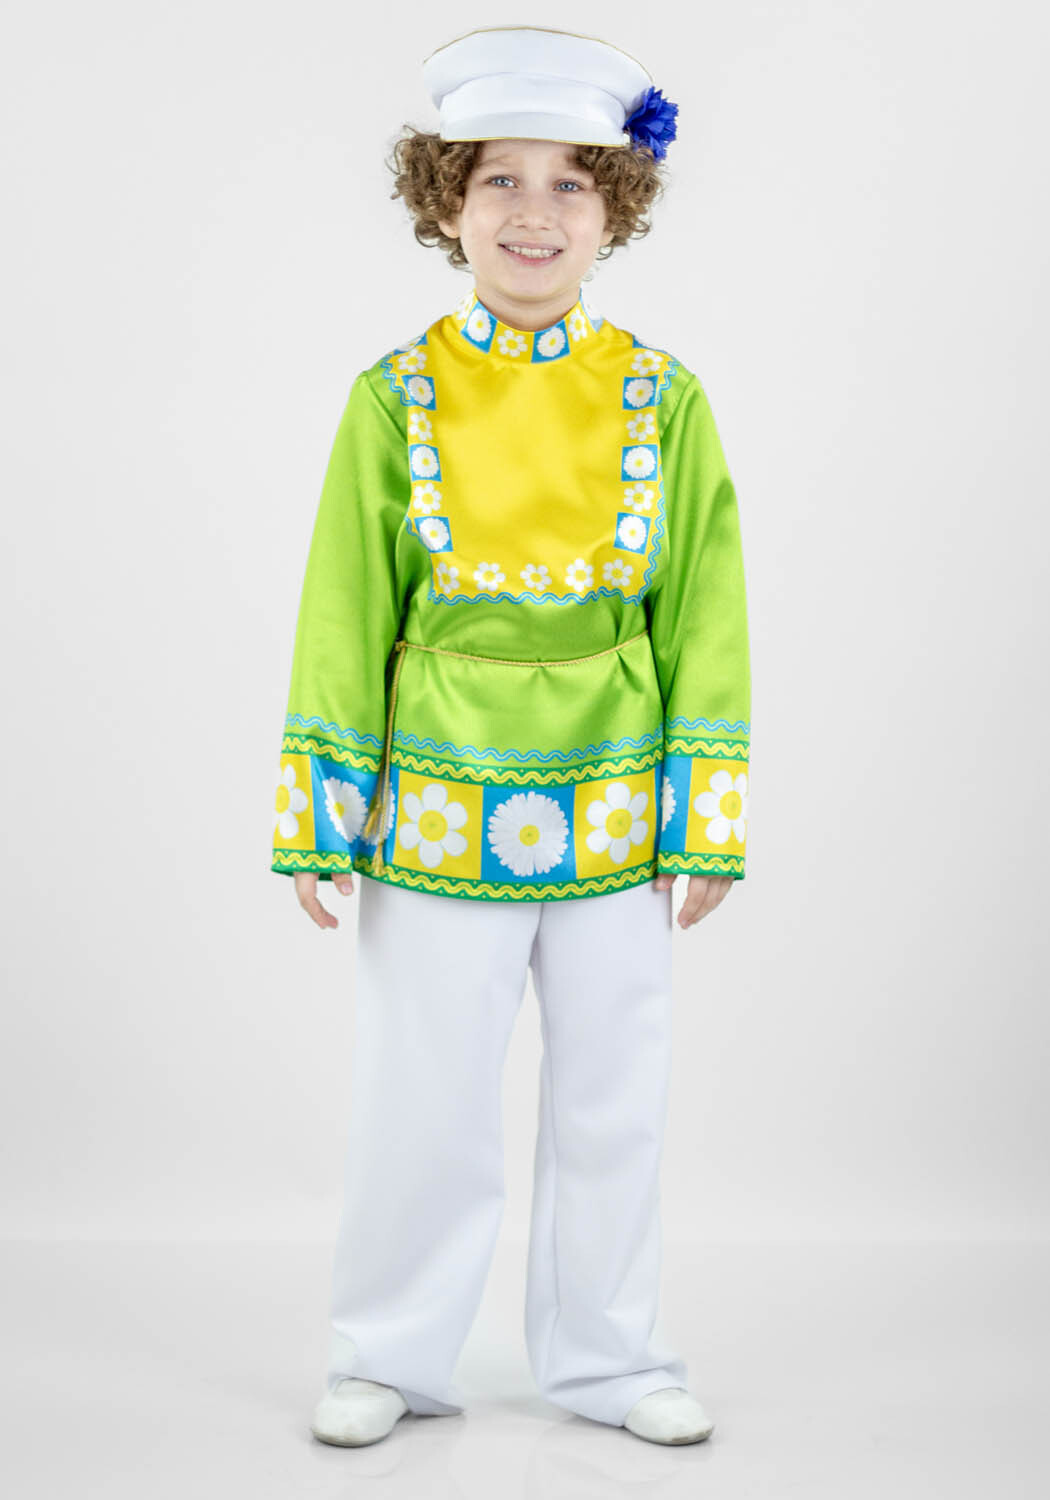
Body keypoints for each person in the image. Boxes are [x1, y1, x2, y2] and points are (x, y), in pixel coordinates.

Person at [271, 24, 751, 1448]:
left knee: (613, 1094)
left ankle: (611, 1357)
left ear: (616, 207)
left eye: (570, 183)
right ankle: (388, 1350)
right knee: (422, 1092)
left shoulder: (666, 400)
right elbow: (345, 608)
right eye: (499, 179)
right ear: (445, 199)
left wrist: (703, 813)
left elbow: (705, 610)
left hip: (616, 795)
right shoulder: (393, 395)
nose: (534, 213)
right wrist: (323, 809)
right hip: (430, 799)